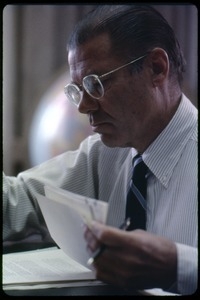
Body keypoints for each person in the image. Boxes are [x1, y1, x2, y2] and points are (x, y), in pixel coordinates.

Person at [3, 5, 197, 295]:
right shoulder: (103, 153)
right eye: (78, 89)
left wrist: (176, 265)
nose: (83, 107)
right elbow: (17, 201)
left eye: (96, 84)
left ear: (156, 68)